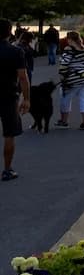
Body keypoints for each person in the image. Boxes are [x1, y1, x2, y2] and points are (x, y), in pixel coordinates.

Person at [0, 20, 30, 181]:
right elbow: (23, 78)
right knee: (9, 134)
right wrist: (27, 99)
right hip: (8, 96)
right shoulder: (16, 51)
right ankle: (7, 170)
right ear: (9, 32)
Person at [57, 31, 84, 131]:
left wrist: (62, 75)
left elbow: (64, 64)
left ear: (70, 39)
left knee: (65, 98)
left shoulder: (69, 49)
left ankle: (64, 121)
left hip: (74, 79)